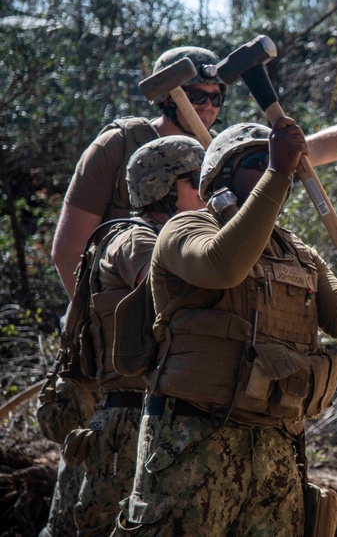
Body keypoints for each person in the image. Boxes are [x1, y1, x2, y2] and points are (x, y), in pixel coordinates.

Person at [113, 119, 337, 535]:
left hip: (277, 448)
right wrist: (279, 171)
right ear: (222, 176)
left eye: (274, 161)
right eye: (257, 161)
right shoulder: (186, 228)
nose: (273, 167)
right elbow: (223, 265)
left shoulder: (297, 252)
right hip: (192, 440)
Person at [51, 51, 337, 295]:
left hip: (194, 306)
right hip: (123, 304)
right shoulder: (120, 143)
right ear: (168, 97)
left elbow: (315, 149)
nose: (206, 106)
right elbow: (68, 253)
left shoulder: (220, 152)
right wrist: (96, 327)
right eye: (195, 97)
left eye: (215, 97)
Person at [63, 136, 205, 537]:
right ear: (162, 188)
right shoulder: (136, 240)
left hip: (148, 415)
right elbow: (177, 290)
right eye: (195, 180)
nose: (205, 190)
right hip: (129, 419)